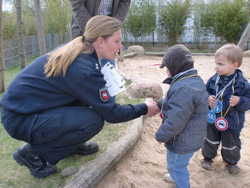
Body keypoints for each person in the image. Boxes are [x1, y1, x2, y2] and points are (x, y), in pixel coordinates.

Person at [0, 15, 159, 178]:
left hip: (25, 109)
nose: (121, 46)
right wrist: (144, 108)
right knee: (93, 121)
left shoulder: (82, 50)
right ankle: (31, 154)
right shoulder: (84, 68)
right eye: (117, 41)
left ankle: (71, 145)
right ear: (100, 41)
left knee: (87, 105)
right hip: (19, 119)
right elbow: (111, 113)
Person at [155, 44, 208, 188]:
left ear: (175, 67)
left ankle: (181, 182)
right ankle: (174, 177)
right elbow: (177, 102)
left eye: (167, 68)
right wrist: (160, 103)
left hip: (182, 140)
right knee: (176, 162)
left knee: (177, 166)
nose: (166, 71)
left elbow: (175, 121)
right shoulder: (192, 80)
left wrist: (161, 135)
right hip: (191, 136)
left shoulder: (183, 87)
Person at [201, 44, 250, 175]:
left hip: (232, 121)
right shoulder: (213, 79)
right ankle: (207, 158)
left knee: (231, 144)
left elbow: (248, 101)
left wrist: (240, 101)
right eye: (216, 63)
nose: (216, 67)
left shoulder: (242, 83)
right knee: (210, 139)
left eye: (221, 64)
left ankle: (232, 162)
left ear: (235, 65)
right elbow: (204, 92)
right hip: (213, 118)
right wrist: (207, 98)